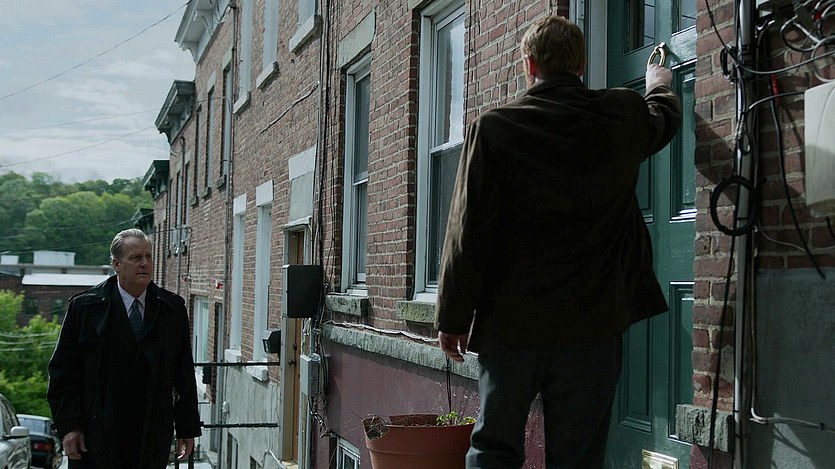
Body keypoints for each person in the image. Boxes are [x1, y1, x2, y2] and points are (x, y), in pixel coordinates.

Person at [435, 15, 682, 469]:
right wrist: (660, 85)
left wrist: (452, 317)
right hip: (592, 326)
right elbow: (661, 120)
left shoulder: (495, 129)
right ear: (581, 65)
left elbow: (467, 232)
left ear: (530, 66)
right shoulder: (620, 115)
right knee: (579, 457)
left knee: (494, 449)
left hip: (511, 326)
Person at [48, 228, 202, 469]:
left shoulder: (171, 309)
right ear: (116, 264)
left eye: (148, 256)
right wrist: (70, 427)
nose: (144, 263)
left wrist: (187, 427)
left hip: (151, 433)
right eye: (136, 257)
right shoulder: (86, 308)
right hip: (97, 434)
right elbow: (62, 373)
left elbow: (183, 374)